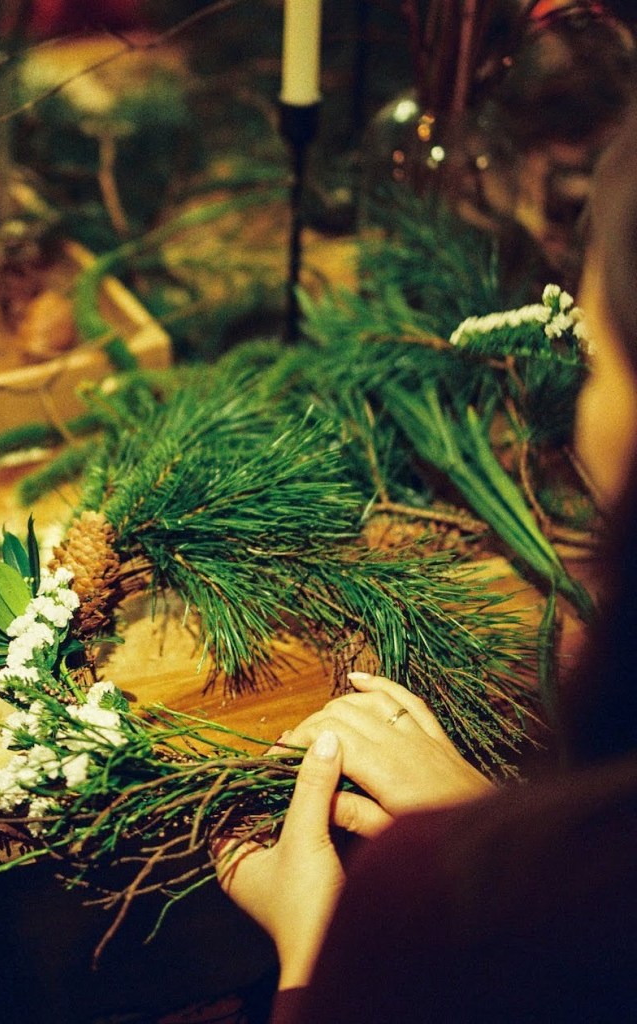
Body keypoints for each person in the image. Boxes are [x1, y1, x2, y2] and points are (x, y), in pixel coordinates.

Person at [214, 100, 637, 1021]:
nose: (577, 406)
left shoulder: (434, 912)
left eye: (598, 365)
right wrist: (499, 822)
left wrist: (313, 958)